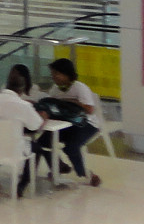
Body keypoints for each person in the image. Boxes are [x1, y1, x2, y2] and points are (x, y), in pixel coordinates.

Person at [41, 58, 103, 187]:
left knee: (71, 147)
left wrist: (71, 102)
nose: (54, 77)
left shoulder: (79, 88)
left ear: (66, 73)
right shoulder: (55, 89)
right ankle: (58, 166)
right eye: (52, 74)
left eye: (56, 73)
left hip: (87, 124)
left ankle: (85, 174)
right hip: (66, 124)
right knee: (42, 142)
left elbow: (90, 110)